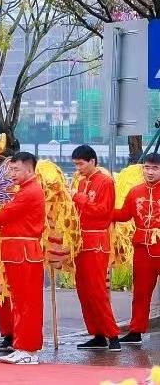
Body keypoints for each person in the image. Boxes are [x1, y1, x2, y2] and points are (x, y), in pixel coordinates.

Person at [0, 151, 46, 365]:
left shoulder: (29, 192)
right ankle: (21, 346)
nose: (11, 173)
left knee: (27, 303)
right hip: (17, 252)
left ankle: (28, 349)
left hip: (24, 253)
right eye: (10, 169)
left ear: (29, 169)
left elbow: (2, 217)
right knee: (20, 303)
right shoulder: (24, 190)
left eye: (15, 169)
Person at [70, 144, 120, 351]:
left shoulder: (105, 182)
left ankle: (112, 334)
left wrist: (78, 197)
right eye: (76, 164)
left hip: (97, 242)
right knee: (83, 290)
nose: (78, 168)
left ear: (92, 161)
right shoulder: (81, 182)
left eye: (81, 164)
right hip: (81, 241)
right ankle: (97, 333)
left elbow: (103, 211)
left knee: (97, 290)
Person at [114, 153, 160, 345]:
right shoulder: (135, 191)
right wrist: (99, 210)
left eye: (155, 168)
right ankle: (136, 330)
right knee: (140, 292)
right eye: (147, 168)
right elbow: (124, 214)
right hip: (142, 247)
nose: (150, 172)